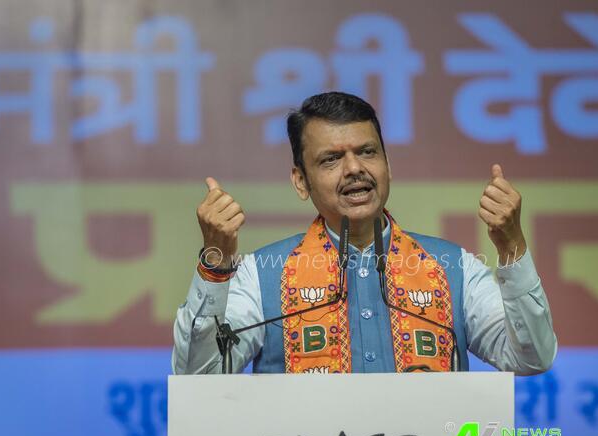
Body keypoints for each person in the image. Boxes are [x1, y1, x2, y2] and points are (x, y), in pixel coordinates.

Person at [172, 91, 557, 374]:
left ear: (388, 166)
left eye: (367, 152)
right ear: (300, 181)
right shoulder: (261, 276)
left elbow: (531, 357)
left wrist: (511, 247)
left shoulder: (452, 268)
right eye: (331, 159)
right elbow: (198, 374)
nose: (354, 168)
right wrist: (216, 263)